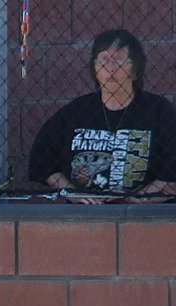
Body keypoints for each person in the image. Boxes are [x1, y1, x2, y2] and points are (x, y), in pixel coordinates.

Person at [28, 29, 176, 203]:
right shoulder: (76, 111)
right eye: (104, 59)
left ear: (135, 69)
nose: (111, 68)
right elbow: (42, 160)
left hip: (144, 215)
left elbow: (171, 173)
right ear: (95, 68)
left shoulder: (159, 111)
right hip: (87, 214)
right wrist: (74, 194)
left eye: (119, 60)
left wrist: (142, 199)